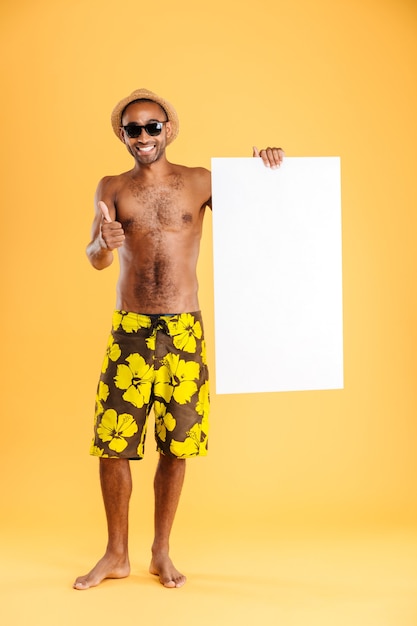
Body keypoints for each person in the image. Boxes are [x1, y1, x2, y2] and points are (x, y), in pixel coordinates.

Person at [73, 88, 284, 590]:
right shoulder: (112, 186)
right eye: (133, 128)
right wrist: (103, 242)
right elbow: (95, 257)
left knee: (177, 444)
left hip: (184, 328)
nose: (142, 136)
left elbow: (258, 222)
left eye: (151, 127)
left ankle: (160, 553)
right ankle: (116, 554)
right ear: (121, 135)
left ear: (168, 130)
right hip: (131, 330)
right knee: (113, 444)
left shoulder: (201, 182)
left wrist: (263, 171)